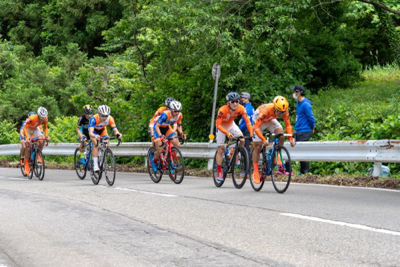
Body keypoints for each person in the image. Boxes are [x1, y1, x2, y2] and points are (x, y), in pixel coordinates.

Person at [252, 96, 295, 184]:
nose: (281, 114)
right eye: (279, 112)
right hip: (258, 122)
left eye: (283, 112)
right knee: (258, 146)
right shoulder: (265, 111)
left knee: (281, 135)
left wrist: (291, 138)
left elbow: (288, 125)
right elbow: (256, 127)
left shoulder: (284, 111)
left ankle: (277, 155)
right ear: (274, 108)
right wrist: (263, 139)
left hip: (269, 120)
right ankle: (255, 170)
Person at [215, 92, 253, 181]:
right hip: (221, 127)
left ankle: (235, 153)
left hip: (231, 125)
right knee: (220, 149)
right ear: (228, 103)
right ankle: (219, 171)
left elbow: (248, 122)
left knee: (242, 139)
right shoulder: (222, 110)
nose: (235, 103)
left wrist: (251, 133)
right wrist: (227, 133)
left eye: (237, 101)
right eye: (232, 102)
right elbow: (218, 125)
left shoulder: (241, 108)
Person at [151, 100, 187, 172]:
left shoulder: (180, 115)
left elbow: (179, 126)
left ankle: (170, 161)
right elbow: (156, 127)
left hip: (167, 128)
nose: (177, 113)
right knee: (160, 149)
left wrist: (181, 133)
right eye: (175, 111)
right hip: (158, 129)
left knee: (177, 144)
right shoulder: (165, 115)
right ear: (171, 110)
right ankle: (154, 162)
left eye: (178, 111)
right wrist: (161, 136)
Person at [88, 105, 122, 172]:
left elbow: (115, 130)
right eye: (103, 116)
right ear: (98, 113)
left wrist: (118, 134)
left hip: (103, 130)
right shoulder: (93, 119)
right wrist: (95, 136)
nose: (104, 118)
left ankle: (103, 160)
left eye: (106, 116)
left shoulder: (110, 118)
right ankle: (95, 165)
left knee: (107, 144)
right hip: (94, 131)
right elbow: (90, 133)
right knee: (96, 144)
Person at [292, 84, 315, 176]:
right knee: (299, 150)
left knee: (302, 150)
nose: (293, 93)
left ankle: (305, 171)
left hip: (305, 130)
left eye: (295, 92)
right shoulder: (299, 103)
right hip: (299, 130)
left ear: (299, 93)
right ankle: (303, 170)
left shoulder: (305, 104)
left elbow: (311, 117)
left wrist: (312, 127)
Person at [23, 107, 50, 175]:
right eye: (41, 117)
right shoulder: (31, 118)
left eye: (43, 118)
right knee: (28, 147)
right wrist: (27, 138)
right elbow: (25, 128)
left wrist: (46, 136)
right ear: (38, 115)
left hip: (35, 128)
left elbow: (45, 127)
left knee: (41, 141)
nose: (42, 119)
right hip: (28, 129)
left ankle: (38, 154)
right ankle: (26, 165)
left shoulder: (45, 118)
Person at [238, 92, 254, 156]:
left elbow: (247, 121)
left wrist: (240, 128)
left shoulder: (247, 108)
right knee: (245, 149)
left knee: (245, 149)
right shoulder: (249, 107)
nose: (240, 100)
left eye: (242, 98)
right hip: (247, 129)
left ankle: (246, 165)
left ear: (247, 99)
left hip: (246, 130)